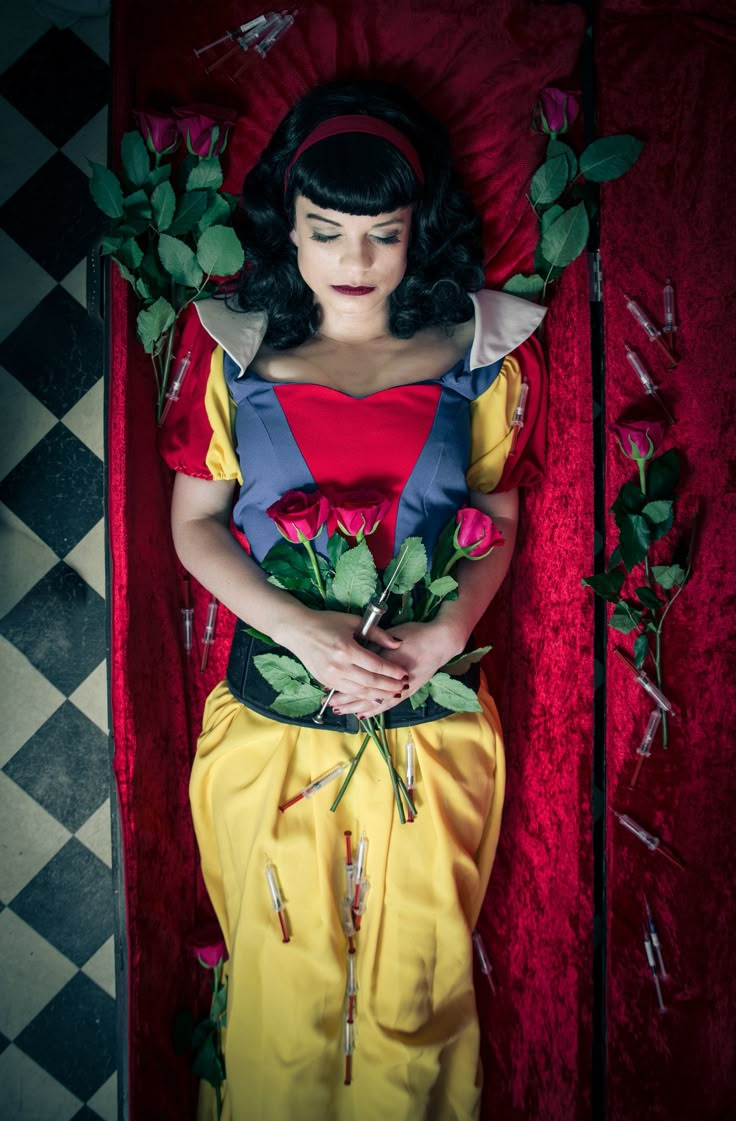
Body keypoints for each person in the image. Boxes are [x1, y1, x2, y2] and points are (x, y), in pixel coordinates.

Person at [164, 78, 546, 1121]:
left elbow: (496, 517)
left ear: (417, 232)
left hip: (429, 728)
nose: (354, 260)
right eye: (327, 231)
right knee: (281, 997)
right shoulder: (237, 355)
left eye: (381, 234)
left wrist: (447, 630)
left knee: (415, 994)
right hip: (271, 725)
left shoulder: (481, 357)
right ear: (286, 225)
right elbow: (193, 525)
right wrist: (299, 624)